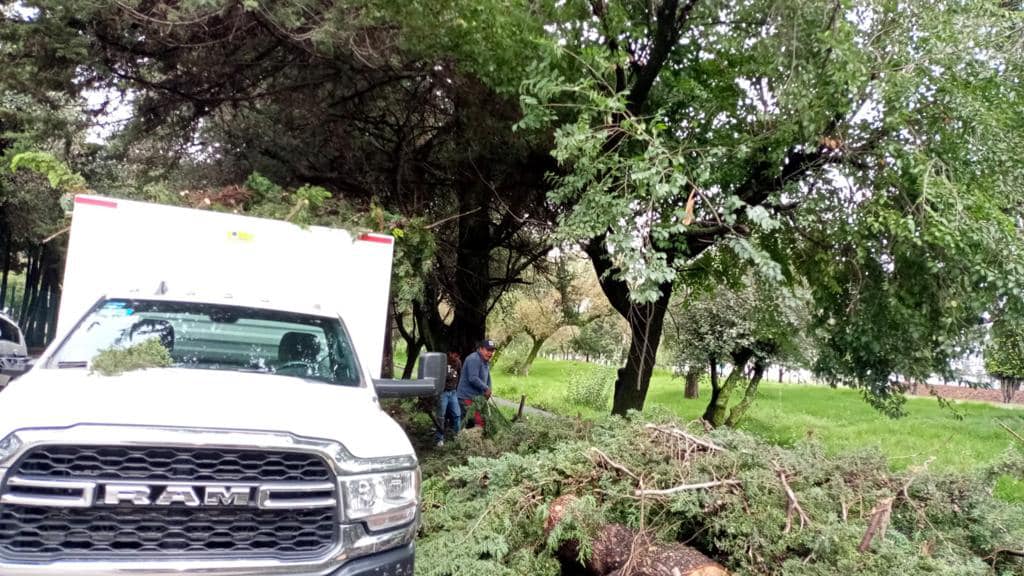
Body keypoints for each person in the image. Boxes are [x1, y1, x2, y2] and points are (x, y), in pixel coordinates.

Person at [456, 339, 495, 429]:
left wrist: (489, 389)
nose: (490, 353)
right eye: (488, 350)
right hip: (466, 397)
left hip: (476, 398)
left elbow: (488, 377)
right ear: (480, 349)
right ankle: (463, 440)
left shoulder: (485, 361)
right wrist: (486, 388)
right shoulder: (474, 359)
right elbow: (473, 378)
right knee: (476, 422)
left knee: (473, 423)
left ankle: (469, 440)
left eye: (492, 351)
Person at [434, 351, 462, 447]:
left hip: (453, 392)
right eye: (454, 354)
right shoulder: (443, 362)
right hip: (443, 393)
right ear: (449, 353)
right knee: (441, 416)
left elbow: (459, 375)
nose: (456, 357)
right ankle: (439, 438)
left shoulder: (458, 363)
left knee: (457, 415)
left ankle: (457, 437)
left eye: (458, 355)